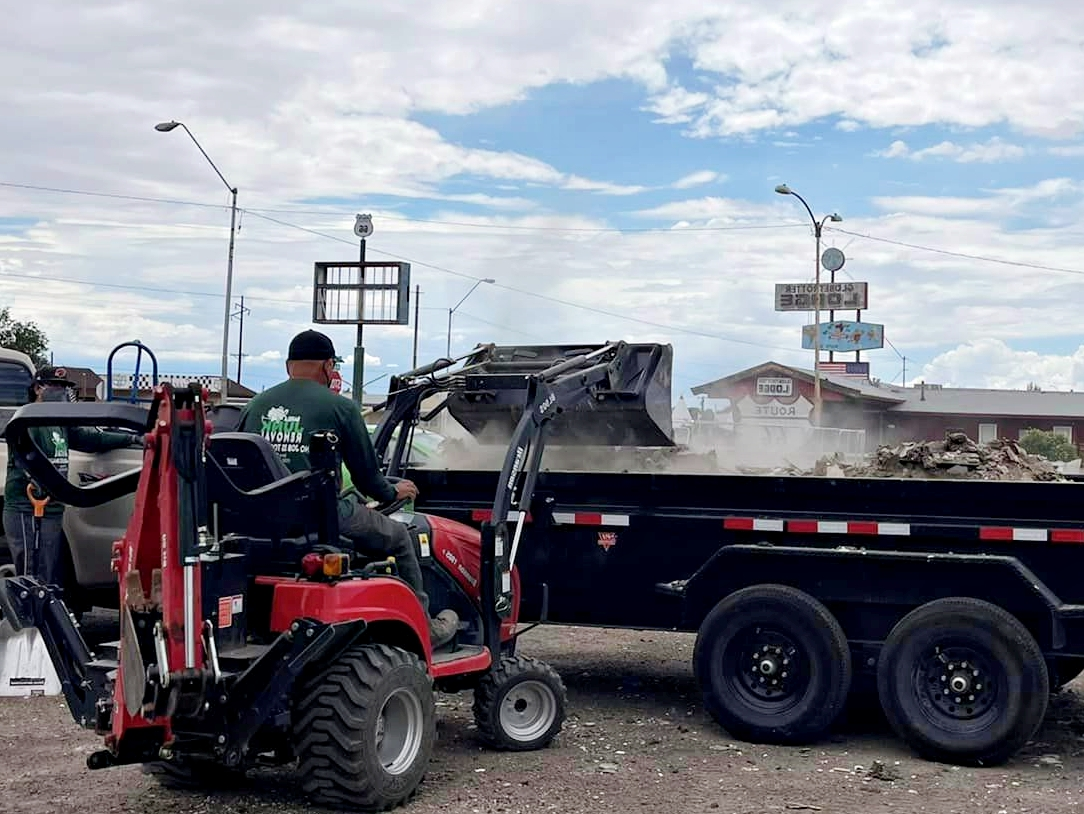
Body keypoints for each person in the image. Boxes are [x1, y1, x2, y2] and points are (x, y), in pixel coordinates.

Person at [236, 330, 460, 648]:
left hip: (261, 521)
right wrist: (393, 492)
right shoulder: (340, 408)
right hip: (321, 517)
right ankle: (425, 627)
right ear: (328, 366)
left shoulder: (255, 405)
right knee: (398, 538)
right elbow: (368, 478)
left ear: (288, 365)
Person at [3, 366, 138, 588]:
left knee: (47, 571)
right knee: (29, 570)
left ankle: (44, 617)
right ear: (38, 388)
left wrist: (128, 440)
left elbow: (89, 440)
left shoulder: (59, 421)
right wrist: (34, 477)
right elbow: (20, 451)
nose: (62, 391)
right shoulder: (27, 419)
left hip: (54, 507)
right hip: (24, 508)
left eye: (65, 387)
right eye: (56, 386)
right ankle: (27, 617)